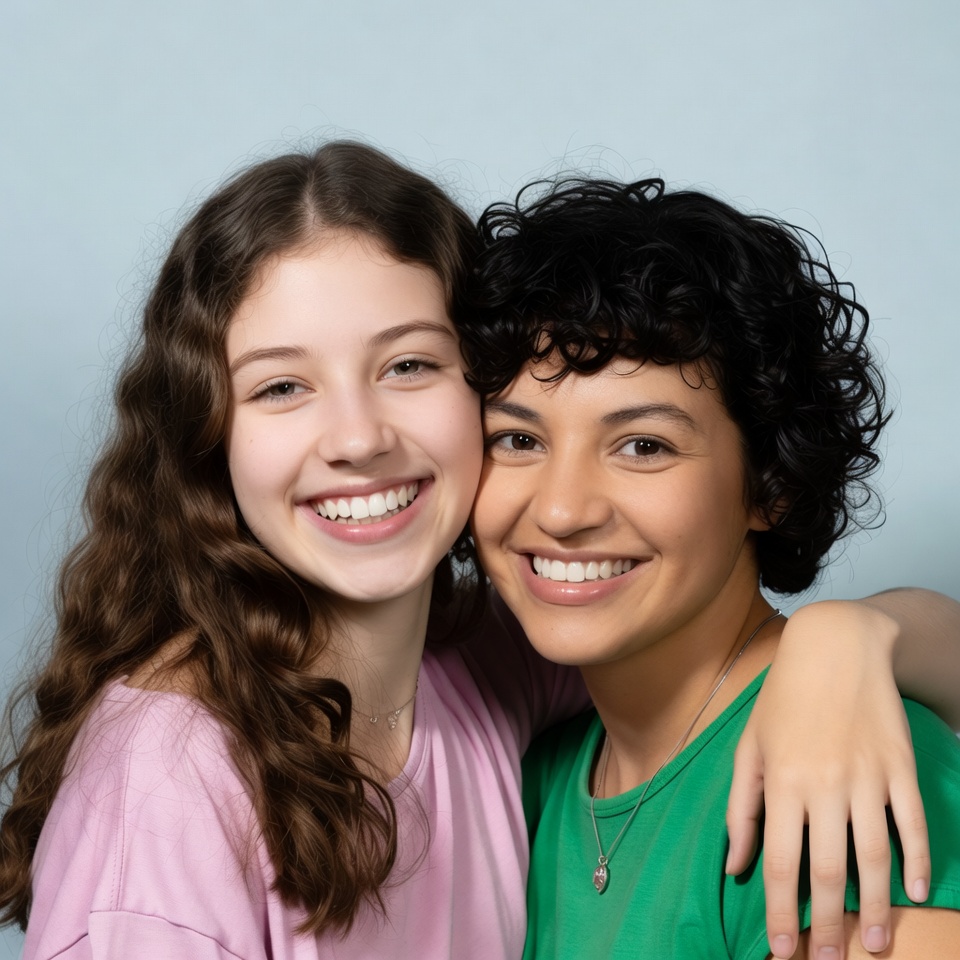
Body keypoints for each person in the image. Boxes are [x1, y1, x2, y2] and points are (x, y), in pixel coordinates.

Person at [0, 143, 956, 959]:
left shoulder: (510, 675)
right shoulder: (170, 782)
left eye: (410, 365)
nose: (358, 437)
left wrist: (850, 639)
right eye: (281, 387)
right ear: (206, 434)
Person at [462, 175, 960, 959]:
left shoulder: (846, 774)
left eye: (643, 446)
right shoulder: (532, 781)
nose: (561, 511)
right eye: (518, 439)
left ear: (770, 486)